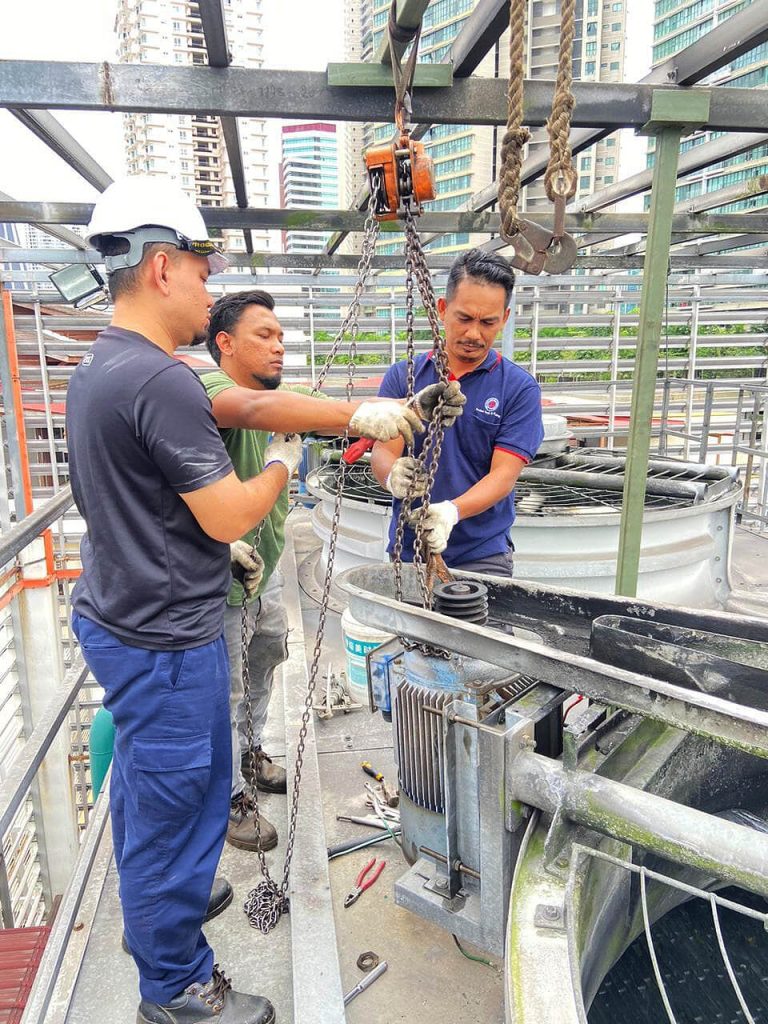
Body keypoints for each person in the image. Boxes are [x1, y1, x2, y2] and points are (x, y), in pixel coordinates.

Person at [66, 176, 297, 1024]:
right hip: (164, 639)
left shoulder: (100, 364)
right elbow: (229, 509)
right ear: (162, 266)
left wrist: (205, 545)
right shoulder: (163, 379)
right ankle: (176, 988)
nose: (208, 290)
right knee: (178, 803)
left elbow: (136, 496)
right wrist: (285, 463)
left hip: (125, 613)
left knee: (148, 788)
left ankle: (157, 911)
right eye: (203, 272)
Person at [198, 289, 466, 851]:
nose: (279, 346)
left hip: (263, 566)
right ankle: (226, 798)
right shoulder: (209, 391)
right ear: (225, 342)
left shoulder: (278, 397)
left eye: (281, 336)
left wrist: (409, 409)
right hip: (217, 573)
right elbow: (246, 417)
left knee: (265, 659)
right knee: (222, 692)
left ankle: (250, 752)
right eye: (264, 335)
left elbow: (330, 416)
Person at [372, 248, 544, 575]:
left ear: (504, 318)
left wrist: (451, 511)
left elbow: (503, 476)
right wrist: (392, 475)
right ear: (442, 308)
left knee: (480, 611)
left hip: (482, 554)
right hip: (409, 548)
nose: (474, 334)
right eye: (464, 318)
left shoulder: (518, 389)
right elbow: (384, 451)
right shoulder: (404, 376)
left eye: (488, 322)